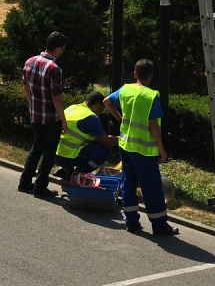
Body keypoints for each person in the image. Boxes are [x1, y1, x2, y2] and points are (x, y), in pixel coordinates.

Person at [104, 59, 178, 236]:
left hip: (126, 145)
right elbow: (154, 126)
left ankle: (131, 222)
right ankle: (159, 225)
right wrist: (162, 149)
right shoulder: (152, 96)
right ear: (151, 76)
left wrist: (120, 118)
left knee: (128, 183)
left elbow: (107, 101)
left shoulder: (125, 89)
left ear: (135, 74)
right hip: (144, 151)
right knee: (152, 188)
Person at [18, 31, 68, 198]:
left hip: (35, 116)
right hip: (50, 118)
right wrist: (63, 119)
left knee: (36, 147)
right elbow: (56, 97)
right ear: (58, 48)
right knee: (49, 153)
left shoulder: (30, 61)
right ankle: (40, 187)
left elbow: (25, 85)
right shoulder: (55, 69)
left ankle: (25, 182)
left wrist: (31, 102)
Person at [53, 91, 119, 179]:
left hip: (53, 154)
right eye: (101, 109)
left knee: (78, 144)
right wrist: (124, 139)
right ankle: (77, 174)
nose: (100, 112)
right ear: (97, 106)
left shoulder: (73, 107)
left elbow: (78, 134)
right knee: (105, 150)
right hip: (66, 157)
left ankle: (65, 170)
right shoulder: (91, 117)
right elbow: (106, 141)